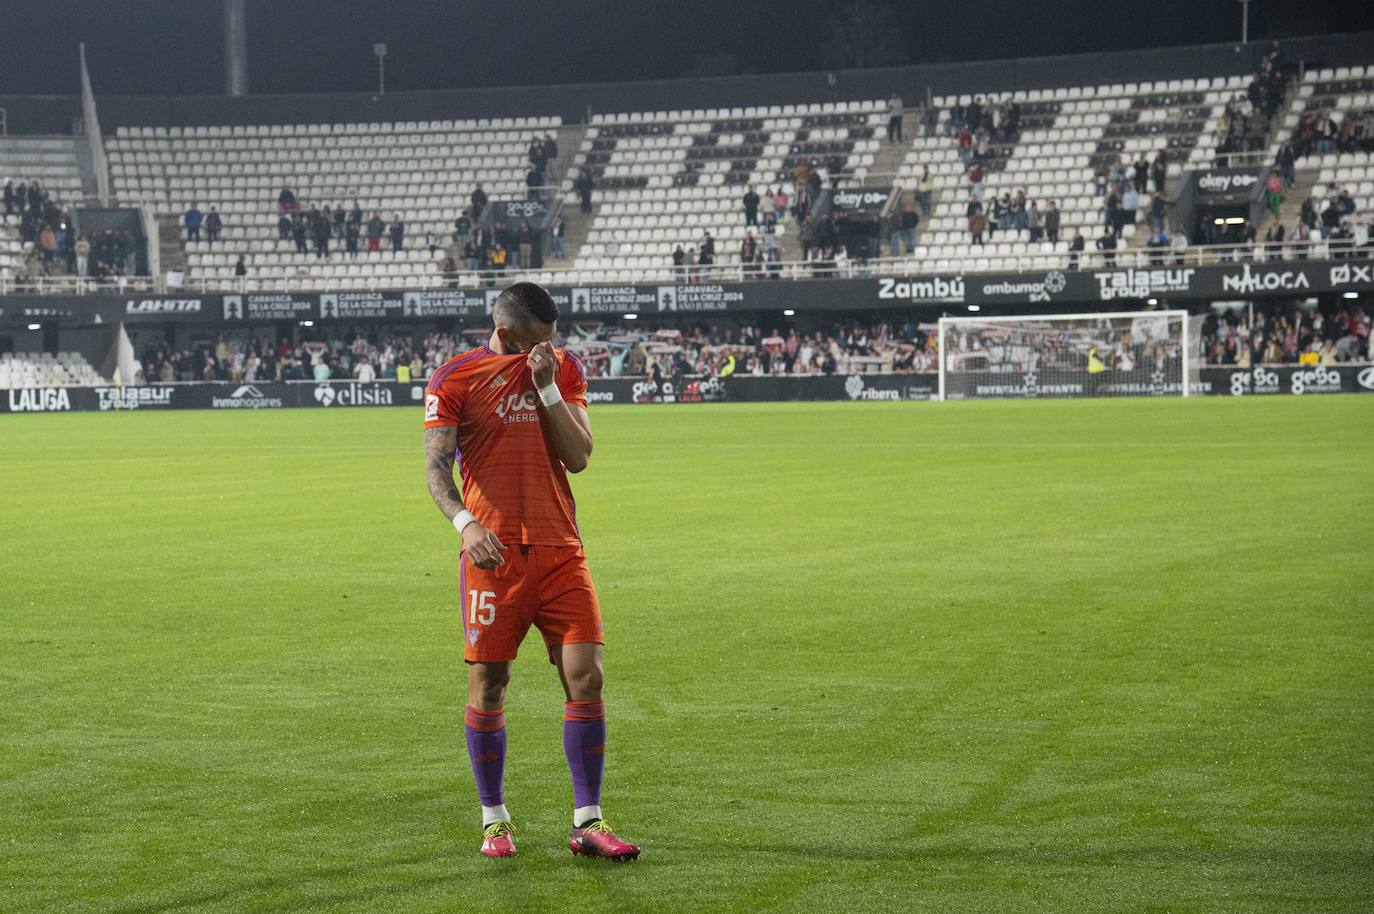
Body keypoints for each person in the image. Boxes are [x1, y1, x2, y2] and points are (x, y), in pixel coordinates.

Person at [422, 282, 640, 862]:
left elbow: (579, 457)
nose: (554, 347)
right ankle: (494, 821)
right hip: (493, 556)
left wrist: (545, 387)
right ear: (510, 335)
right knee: (490, 686)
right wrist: (466, 524)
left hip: (561, 548)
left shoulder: (561, 370)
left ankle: (588, 822)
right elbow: (436, 471)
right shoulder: (454, 378)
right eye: (541, 341)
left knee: (586, 676)